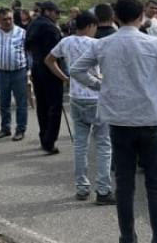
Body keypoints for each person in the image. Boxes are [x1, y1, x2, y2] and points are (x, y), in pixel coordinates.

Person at [70, 0, 157, 243]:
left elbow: (76, 70)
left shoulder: (102, 45)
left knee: (125, 185)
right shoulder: (154, 43)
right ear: (142, 16)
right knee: (156, 185)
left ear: (116, 17)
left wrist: (99, 86)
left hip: (119, 122)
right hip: (150, 120)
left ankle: (128, 237)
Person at [45, 11, 115, 204]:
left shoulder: (65, 42)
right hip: (97, 97)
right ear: (91, 26)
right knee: (103, 145)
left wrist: (65, 78)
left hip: (76, 97)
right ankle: (103, 190)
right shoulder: (97, 44)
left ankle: (82, 188)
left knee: (80, 145)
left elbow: (49, 60)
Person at [0, 7, 27, 141]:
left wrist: (30, 70)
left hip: (19, 72)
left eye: (10, 19)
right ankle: (5, 128)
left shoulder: (22, 32)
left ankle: (20, 129)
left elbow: (28, 52)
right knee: (4, 102)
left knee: (21, 103)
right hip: (0, 73)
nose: (8, 22)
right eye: (4, 19)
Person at [26, 1, 64, 154]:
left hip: (37, 67)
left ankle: (44, 137)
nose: (58, 16)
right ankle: (50, 141)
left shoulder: (32, 24)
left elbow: (27, 46)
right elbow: (57, 53)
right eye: (56, 12)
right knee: (54, 106)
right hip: (51, 69)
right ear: (48, 11)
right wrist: (62, 75)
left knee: (42, 105)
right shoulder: (50, 28)